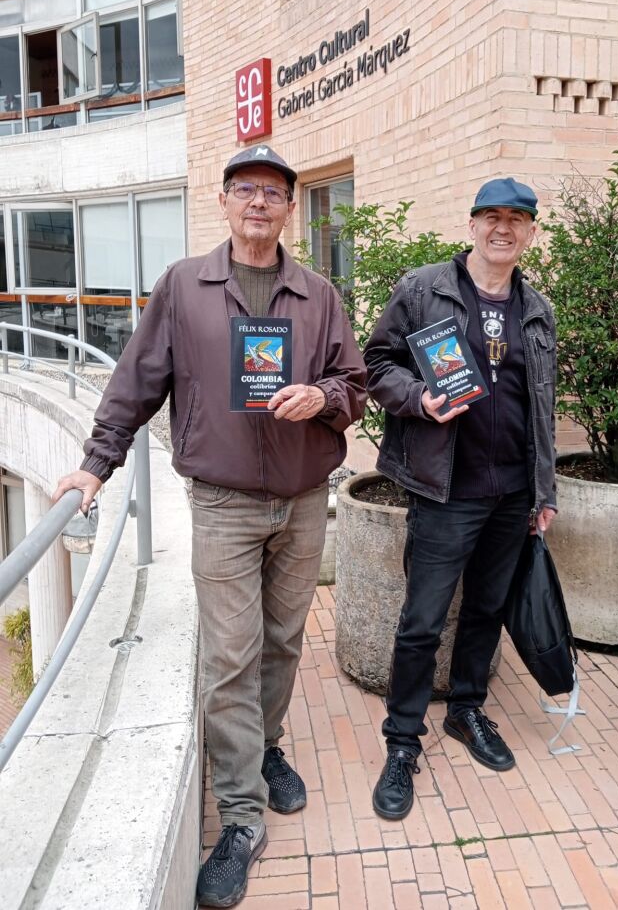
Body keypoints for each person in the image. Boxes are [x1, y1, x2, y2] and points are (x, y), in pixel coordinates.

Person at [53, 144, 366, 907]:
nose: (259, 202)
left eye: (273, 192)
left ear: (291, 208)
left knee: (285, 639)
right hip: (222, 502)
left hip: (300, 497)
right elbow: (137, 382)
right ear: (224, 203)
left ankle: (262, 747)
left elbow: (354, 383)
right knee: (232, 651)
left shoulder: (318, 293)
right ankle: (240, 815)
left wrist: (320, 398)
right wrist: (97, 464)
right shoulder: (184, 286)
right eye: (245, 190)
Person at [363, 178, 557, 820]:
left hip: (512, 493)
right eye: (492, 217)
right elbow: (377, 363)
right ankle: (401, 741)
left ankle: (467, 711)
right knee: (422, 621)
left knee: (486, 610)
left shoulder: (537, 308)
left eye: (517, 220)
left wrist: (544, 488)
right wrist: (419, 399)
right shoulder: (426, 288)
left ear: (530, 232)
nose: (503, 229)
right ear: (472, 224)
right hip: (446, 490)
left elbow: (544, 406)